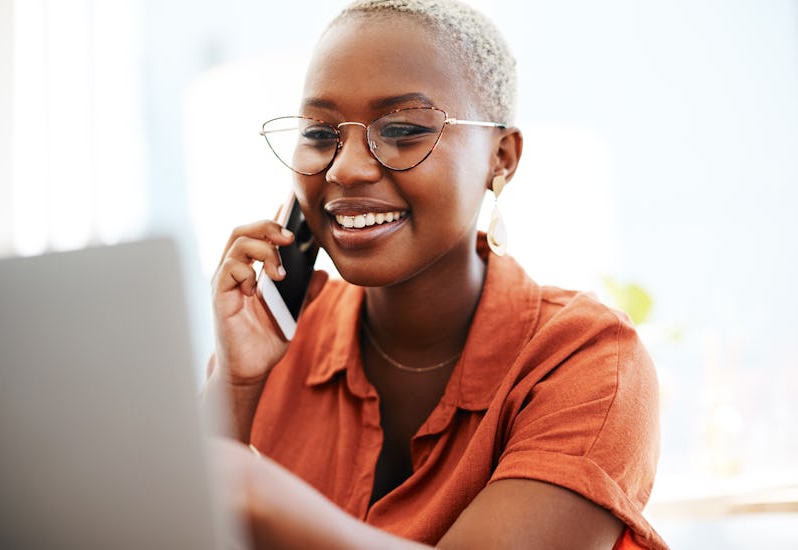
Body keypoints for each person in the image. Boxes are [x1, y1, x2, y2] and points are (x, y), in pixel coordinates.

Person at [203, 1, 668, 548]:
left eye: (401, 129)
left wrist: (257, 493)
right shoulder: (277, 338)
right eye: (321, 135)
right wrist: (235, 385)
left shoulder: (586, 359)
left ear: (501, 158)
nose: (347, 167)